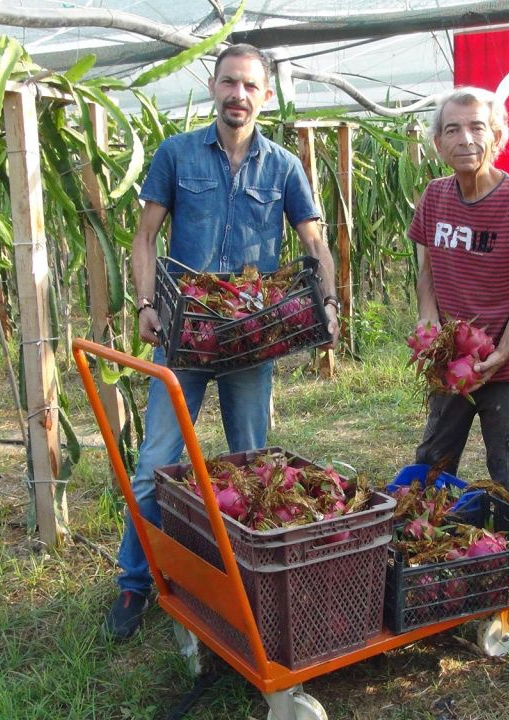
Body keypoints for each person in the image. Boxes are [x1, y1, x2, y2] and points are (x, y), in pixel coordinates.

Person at [103, 44, 340, 642]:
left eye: (251, 86)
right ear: (213, 87)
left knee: (254, 461)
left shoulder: (284, 166)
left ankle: (254, 581)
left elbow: (315, 244)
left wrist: (329, 305)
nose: (239, 95)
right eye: (229, 83)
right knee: (158, 460)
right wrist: (145, 304)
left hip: (250, 339)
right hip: (184, 334)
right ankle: (135, 583)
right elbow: (145, 237)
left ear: (265, 96)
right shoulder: (177, 154)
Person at [410, 86, 509, 508]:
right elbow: (427, 265)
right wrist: (427, 316)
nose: (465, 139)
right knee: (433, 461)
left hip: (508, 367)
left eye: (477, 127)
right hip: (451, 359)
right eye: (452, 129)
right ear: (438, 144)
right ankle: (429, 542)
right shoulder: (435, 196)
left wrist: (503, 351)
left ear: (498, 136)